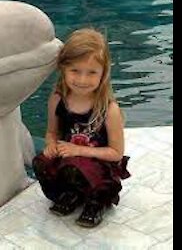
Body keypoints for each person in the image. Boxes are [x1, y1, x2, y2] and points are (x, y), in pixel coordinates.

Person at [32, 28, 130, 228]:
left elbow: (116, 153)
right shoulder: (57, 99)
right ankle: (71, 194)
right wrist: (50, 144)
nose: (82, 80)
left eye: (92, 72)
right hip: (69, 160)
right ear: (63, 69)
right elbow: (52, 132)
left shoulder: (109, 109)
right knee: (41, 162)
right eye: (75, 70)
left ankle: (95, 202)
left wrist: (79, 150)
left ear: (103, 73)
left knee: (76, 165)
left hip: (99, 167)